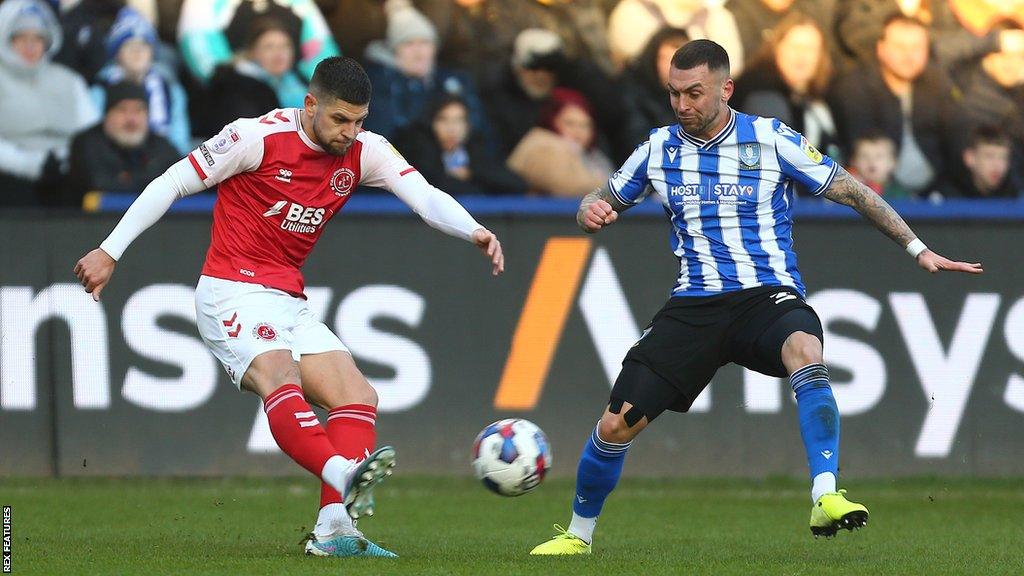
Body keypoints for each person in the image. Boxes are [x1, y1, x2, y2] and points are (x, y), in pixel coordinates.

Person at [529, 39, 982, 556]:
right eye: (674, 94)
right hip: (694, 306)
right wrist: (588, 212)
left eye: (694, 93)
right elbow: (601, 198)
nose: (682, 105)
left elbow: (852, 191)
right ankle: (578, 537)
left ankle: (825, 495)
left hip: (766, 295)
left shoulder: (769, 138)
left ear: (726, 88)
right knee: (615, 424)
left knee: (805, 350)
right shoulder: (658, 148)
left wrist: (916, 247)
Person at [73, 56, 504, 558]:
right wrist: (110, 250)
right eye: (340, 119)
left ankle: (333, 530)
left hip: (285, 296)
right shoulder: (254, 138)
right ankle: (342, 473)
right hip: (229, 289)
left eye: (359, 120)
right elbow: (172, 182)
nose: (350, 132)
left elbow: (425, 197)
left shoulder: (366, 151)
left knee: (356, 394)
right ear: (310, 104)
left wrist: (472, 228)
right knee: (281, 376)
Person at [830, 14, 968, 197]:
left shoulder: (939, 85)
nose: (908, 55)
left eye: (916, 47)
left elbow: (957, 144)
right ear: (881, 49)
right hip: (877, 196)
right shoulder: (855, 89)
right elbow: (859, 150)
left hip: (937, 194)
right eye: (900, 46)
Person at [0, 0, 99, 207]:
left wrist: (64, 161)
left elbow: (91, 133)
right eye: (22, 38)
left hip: (66, 174)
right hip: (9, 178)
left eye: (38, 38)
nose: (30, 46)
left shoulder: (70, 80)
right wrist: (30, 165)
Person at [733, 11, 841, 164]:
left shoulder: (814, 98)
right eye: (795, 47)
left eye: (810, 49)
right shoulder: (763, 95)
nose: (801, 56)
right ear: (777, 48)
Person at [91, 6, 191, 154]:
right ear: (117, 54)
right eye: (129, 46)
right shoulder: (100, 90)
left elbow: (180, 141)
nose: (137, 53)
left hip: (161, 164)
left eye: (144, 46)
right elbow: (92, 137)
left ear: (152, 52)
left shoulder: (170, 89)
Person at [67, 81, 180, 207]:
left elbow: (178, 181)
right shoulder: (85, 143)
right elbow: (97, 183)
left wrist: (126, 179)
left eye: (139, 110)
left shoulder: (161, 146)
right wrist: (149, 180)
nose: (131, 120)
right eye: (122, 110)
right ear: (107, 115)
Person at [391, 94, 526, 195]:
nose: (452, 128)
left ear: (467, 125)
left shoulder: (475, 150)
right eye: (443, 120)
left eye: (458, 120)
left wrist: (471, 174)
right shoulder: (419, 151)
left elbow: (516, 183)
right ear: (431, 124)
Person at [201, 17, 308, 137]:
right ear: (252, 52)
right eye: (269, 47)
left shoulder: (300, 81)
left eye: (285, 46)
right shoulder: (236, 88)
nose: (278, 53)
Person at [507, 88, 613, 197]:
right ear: (552, 121)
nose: (578, 132)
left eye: (584, 125)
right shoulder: (543, 144)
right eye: (570, 123)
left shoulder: (593, 155)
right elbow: (568, 187)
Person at [939, 125, 1022, 199]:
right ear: (970, 158)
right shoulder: (946, 197)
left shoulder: (1016, 196)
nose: (998, 165)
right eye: (989, 156)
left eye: (1003, 158)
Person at [846, 131, 911, 199]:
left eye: (879, 156)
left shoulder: (900, 193)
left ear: (893, 162)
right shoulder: (847, 188)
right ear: (853, 161)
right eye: (864, 156)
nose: (871, 161)